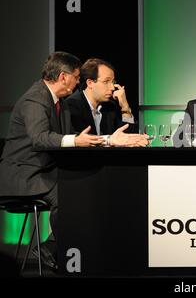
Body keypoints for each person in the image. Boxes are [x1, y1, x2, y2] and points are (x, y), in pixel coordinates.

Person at [0, 52, 148, 271]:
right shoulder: (35, 99)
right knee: (71, 195)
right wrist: (77, 140)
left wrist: (109, 139)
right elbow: (40, 139)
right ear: (63, 77)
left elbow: (76, 138)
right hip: (25, 175)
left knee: (83, 188)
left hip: (46, 171)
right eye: (76, 77)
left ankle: (64, 251)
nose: (78, 82)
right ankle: (61, 251)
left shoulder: (61, 103)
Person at [66, 58, 139, 135]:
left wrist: (125, 108)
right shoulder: (72, 106)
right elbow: (82, 142)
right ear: (90, 83)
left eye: (113, 82)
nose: (112, 88)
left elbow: (129, 140)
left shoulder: (110, 106)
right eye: (106, 81)